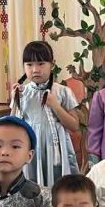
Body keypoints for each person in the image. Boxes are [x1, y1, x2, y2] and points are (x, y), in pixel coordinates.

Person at [11, 40, 80, 186]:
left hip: (56, 149)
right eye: (29, 65)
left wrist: (55, 106)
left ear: (52, 64)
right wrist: (15, 99)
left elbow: (74, 125)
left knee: (59, 186)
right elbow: (12, 125)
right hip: (31, 146)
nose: (35, 69)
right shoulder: (22, 92)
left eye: (41, 64)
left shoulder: (62, 91)